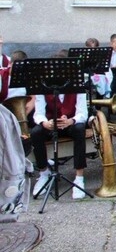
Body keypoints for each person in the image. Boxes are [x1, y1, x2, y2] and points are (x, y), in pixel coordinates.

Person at [30, 64, 89, 199]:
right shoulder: (44, 87)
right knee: (36, 132)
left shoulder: (77, 86)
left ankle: (79, 177)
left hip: (69, 124)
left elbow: (83, 113)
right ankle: (44, 172)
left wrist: (71, 121)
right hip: (51, 124)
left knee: (80, 129)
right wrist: (45, 123)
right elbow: (38, 113)